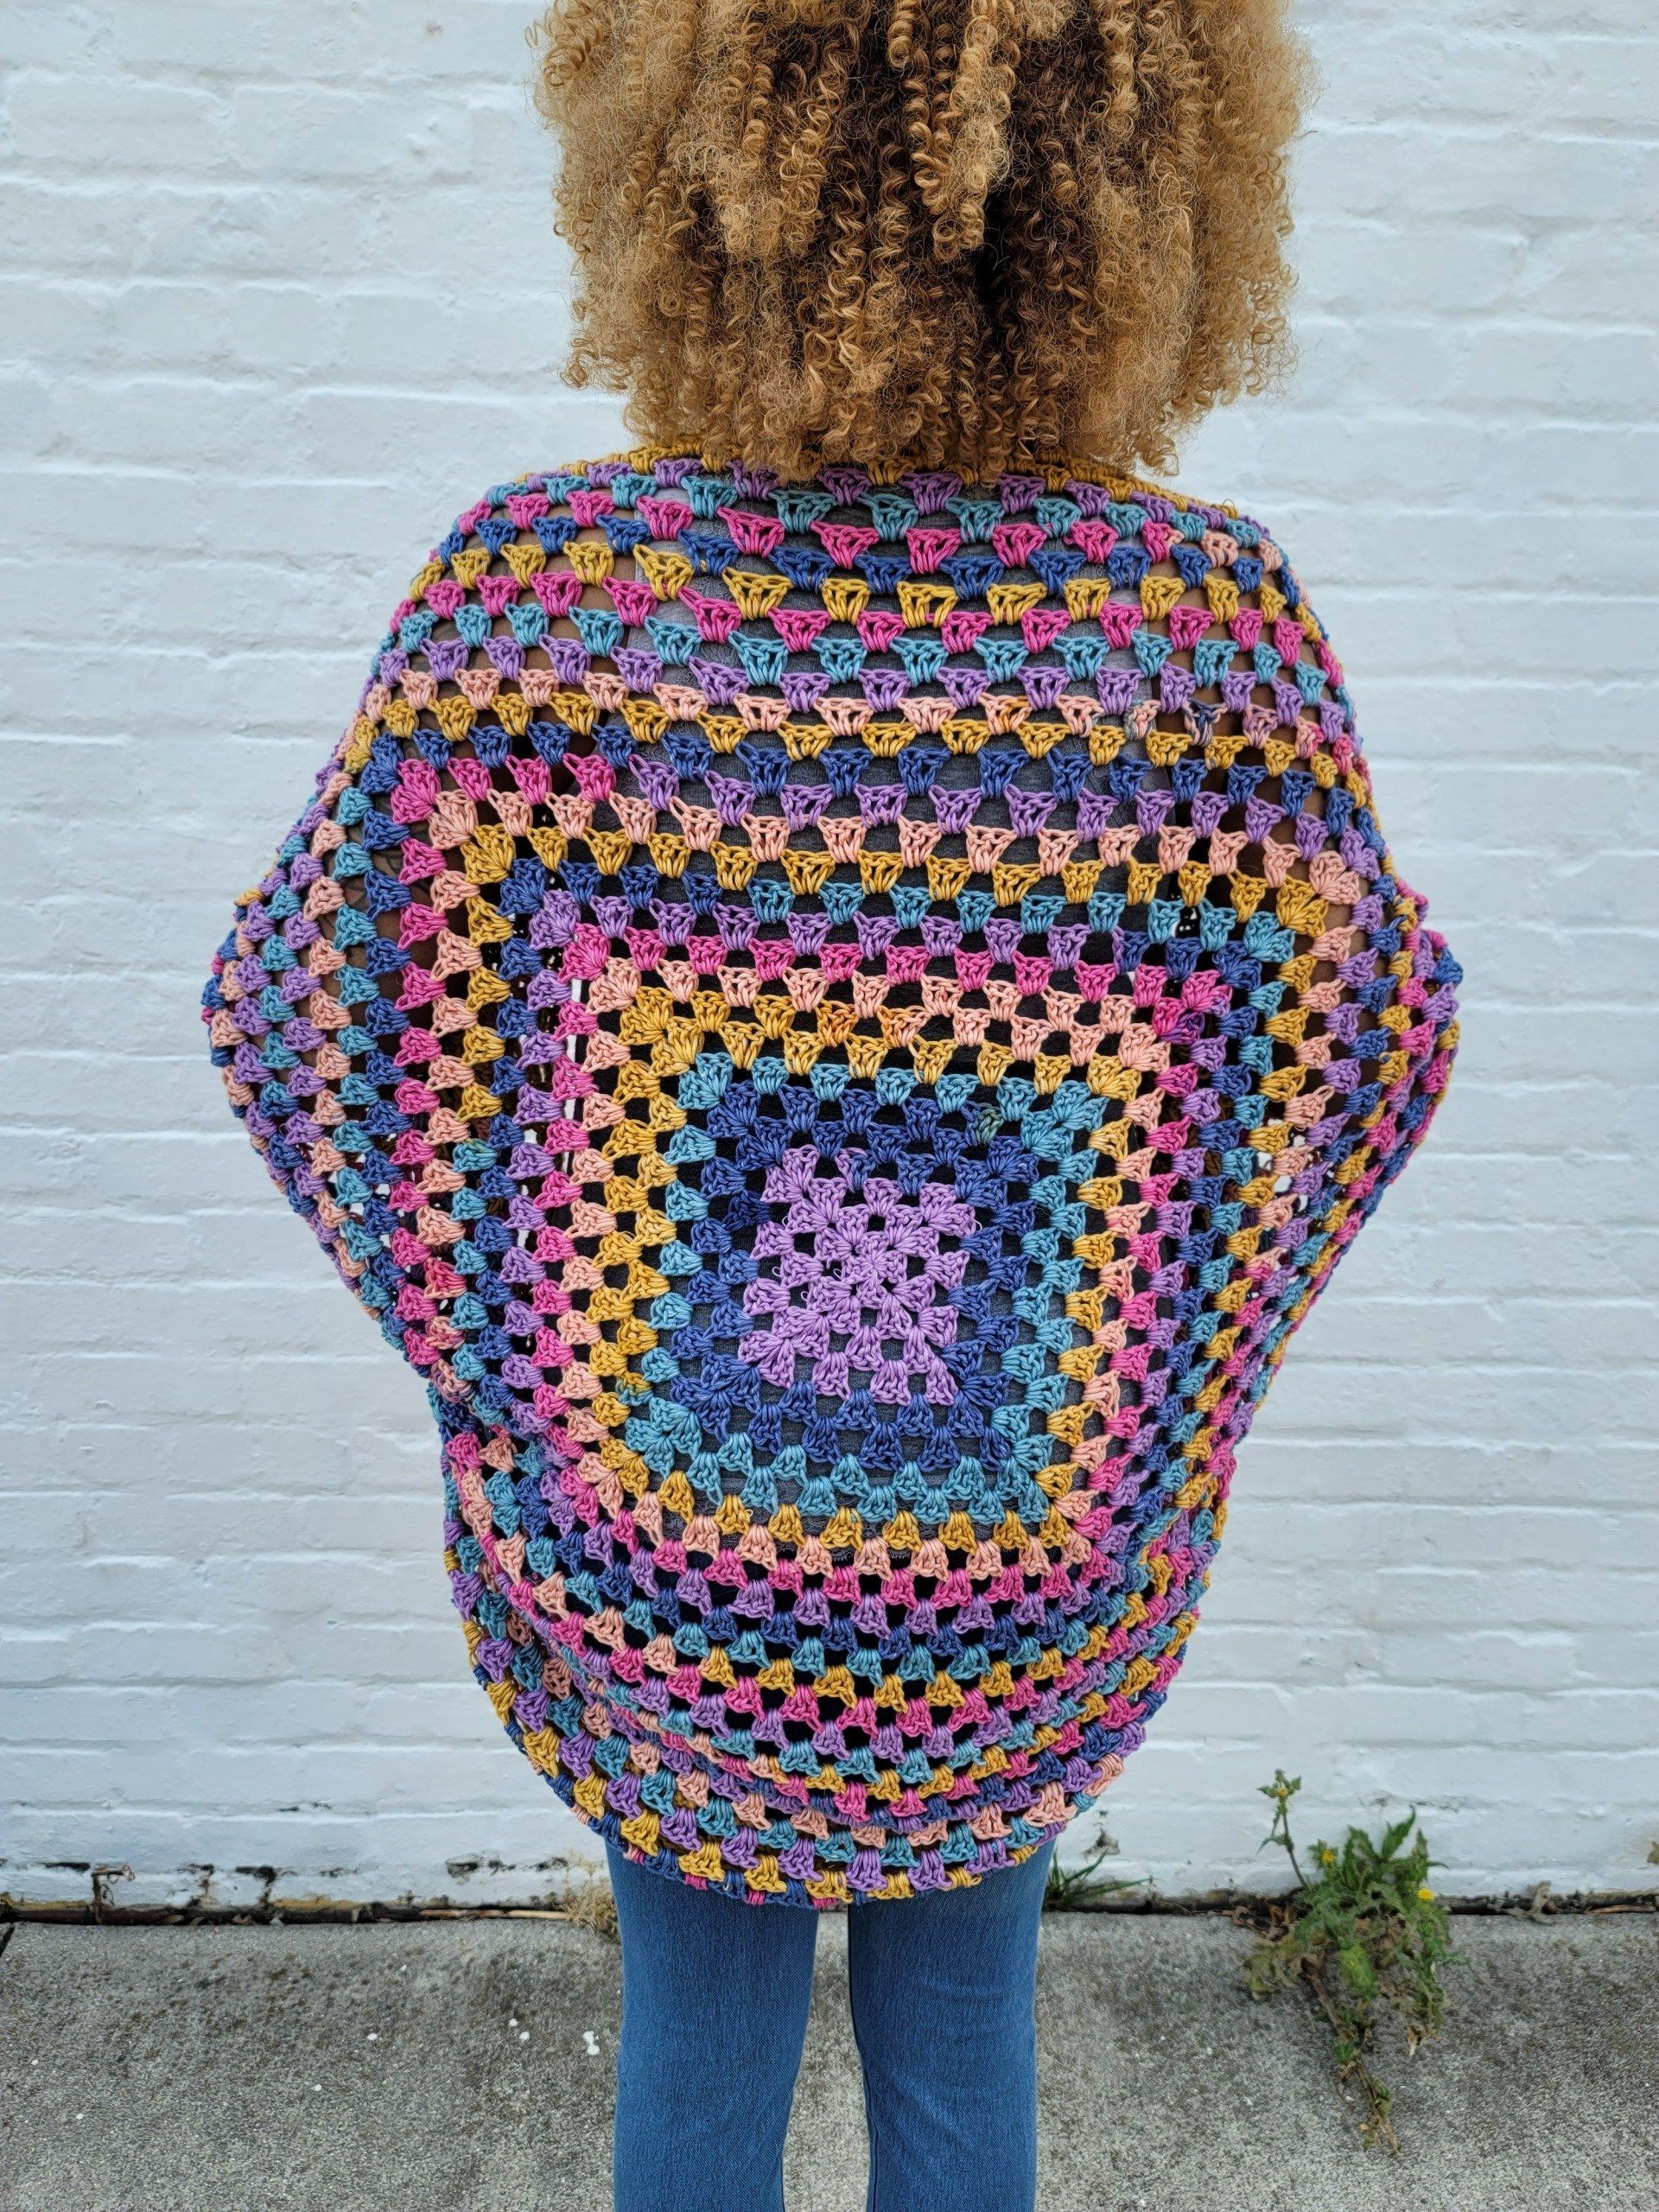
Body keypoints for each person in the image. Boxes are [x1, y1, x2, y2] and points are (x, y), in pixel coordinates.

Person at [203, 3, 1461, 2206]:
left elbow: (302, 1020)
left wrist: (540, 1384)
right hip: (1013, 1565)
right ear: (1142, 186)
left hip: (662, 1573)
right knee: (967, 2008)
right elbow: (1365, 1054)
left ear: (684, 162)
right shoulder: (1210, 640)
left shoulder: (541, 610)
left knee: (699, 2016)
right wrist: (1136, 1388)